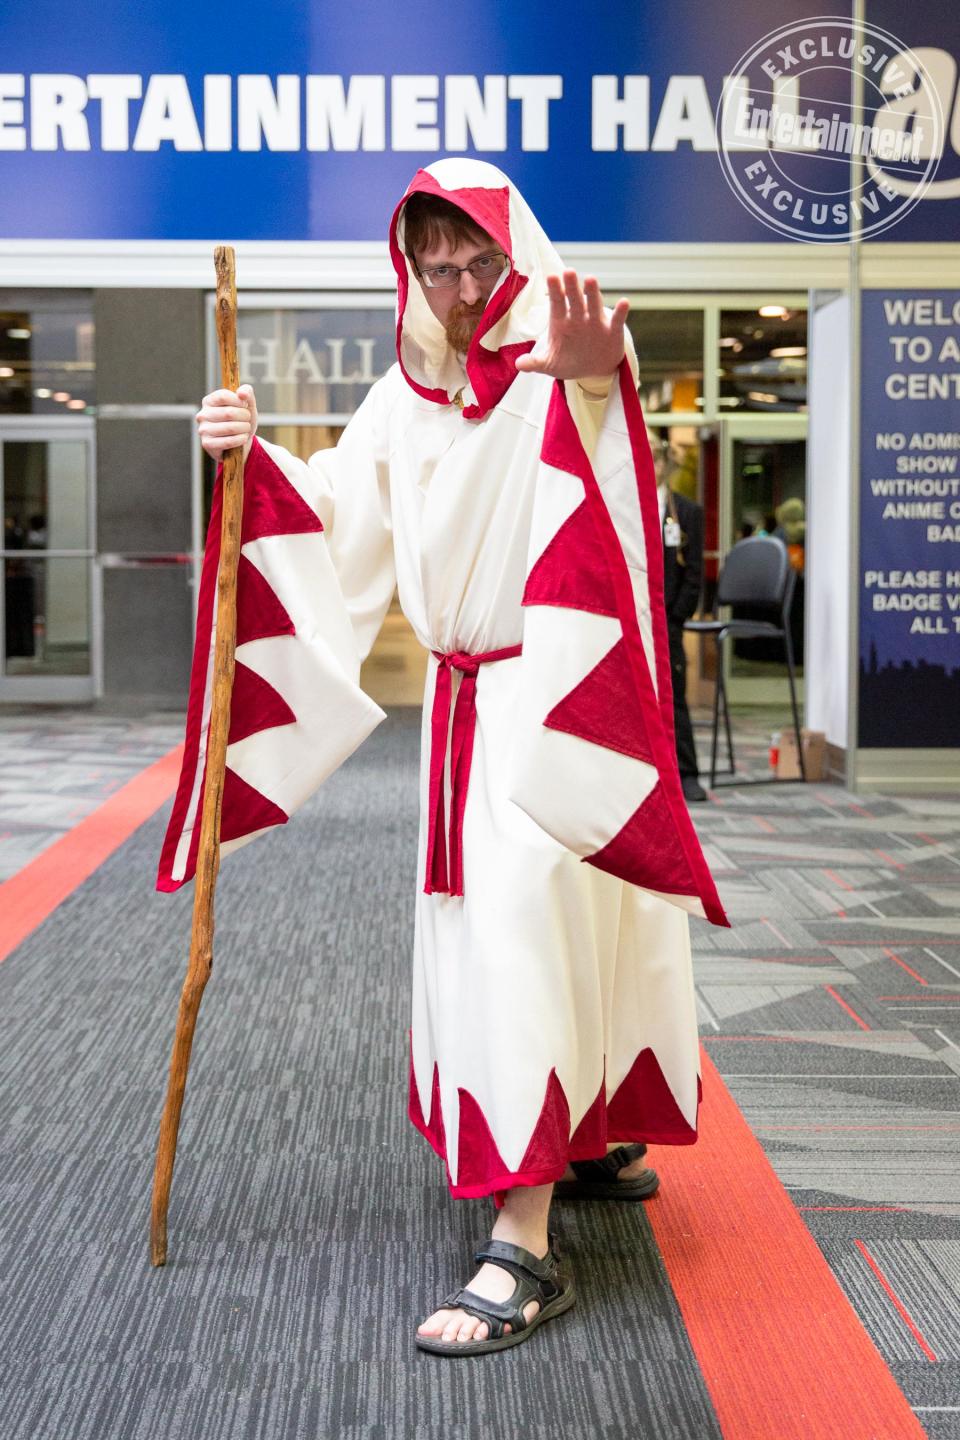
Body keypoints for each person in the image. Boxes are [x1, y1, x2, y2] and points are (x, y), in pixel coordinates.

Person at [179, 160, 726, 1356]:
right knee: (520, 934)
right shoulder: (401, 396)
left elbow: (611, 468)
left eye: (481, 260)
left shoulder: (555, 366)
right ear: (410, 267)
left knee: (543, 929)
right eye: (439, 265)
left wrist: (594, 382)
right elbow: (329, 524)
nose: (465, 286)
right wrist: (244, 455)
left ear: (513, 251)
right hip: (469, 708)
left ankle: (524, 1245)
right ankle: (574, 1141)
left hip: (561, 697)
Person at [650, 433, 706, 803]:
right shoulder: (620, 506)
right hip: (631, 616)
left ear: (665, 464)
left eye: (655, 460)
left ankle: (686, 773)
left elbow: (694, 575)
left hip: (667, 619)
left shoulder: (685, 512)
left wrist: (675, 618)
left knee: (674, 695)